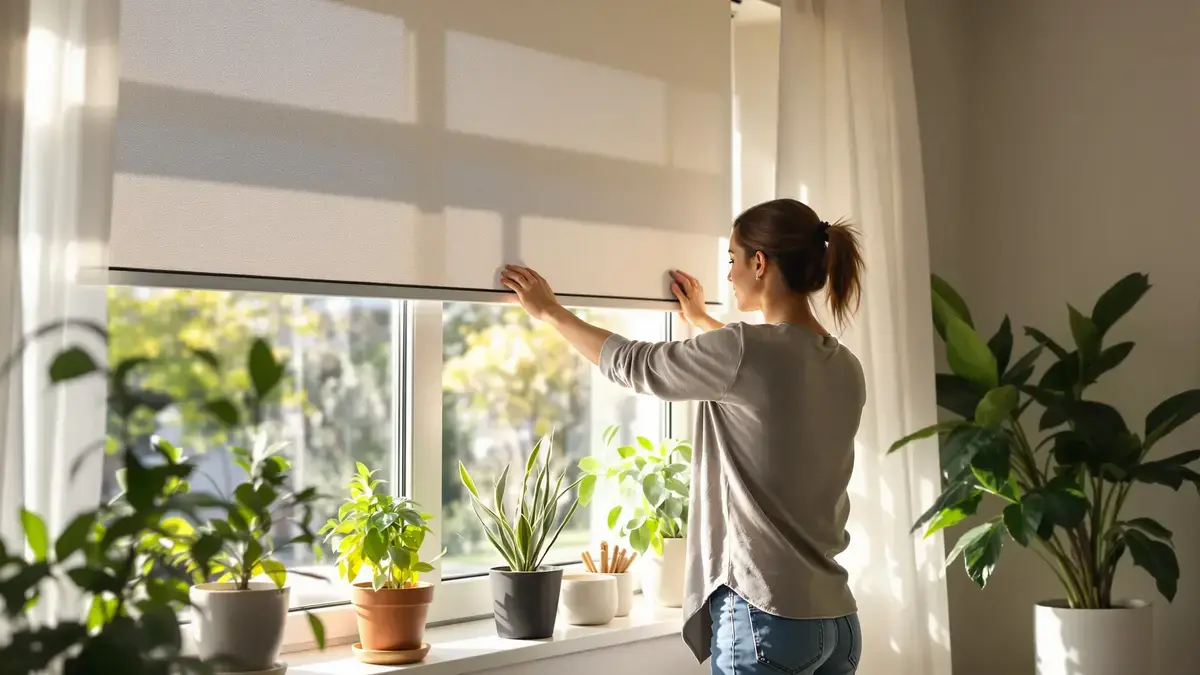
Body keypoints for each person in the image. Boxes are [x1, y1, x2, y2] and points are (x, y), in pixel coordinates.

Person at [499, 198, 867, 675]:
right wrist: (702, 324)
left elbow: (638, 365)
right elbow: (763, 376)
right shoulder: (843, 365)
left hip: (767, 617)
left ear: (760, 263)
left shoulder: (742, 350)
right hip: (837, 624)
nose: (729, 275)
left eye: (733, 259)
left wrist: (551, 312)